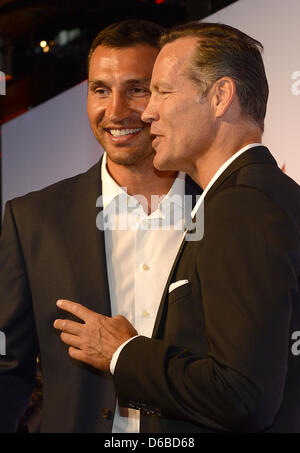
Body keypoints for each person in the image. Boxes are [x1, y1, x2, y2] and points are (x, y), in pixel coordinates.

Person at [54, 22, 300, 432]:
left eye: (164, 91)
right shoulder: (269, 193)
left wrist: (123, 353)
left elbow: (243, 395)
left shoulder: (239, 204)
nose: (148, 111)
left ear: (221, 97)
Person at [0, 20, 201, 433]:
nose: (115, 112)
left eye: (137, 88)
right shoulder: (31, 219)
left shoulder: (226, 210)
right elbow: (8, 371)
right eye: (100, 89)